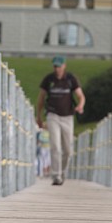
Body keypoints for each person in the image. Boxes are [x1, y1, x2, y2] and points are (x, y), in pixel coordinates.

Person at [36, 55, 85, 185]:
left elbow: (81, 96)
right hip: (53, 116)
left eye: (59, 66)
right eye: (55, 66)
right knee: (55, 146)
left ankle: (62, 172)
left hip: (68, 117)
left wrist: (80, 105)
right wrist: (39, 116)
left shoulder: (71, 79)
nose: (57, 69)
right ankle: (56, 175)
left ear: (64, 66)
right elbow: (41, 98)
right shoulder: (49, 80)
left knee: (68, 150)